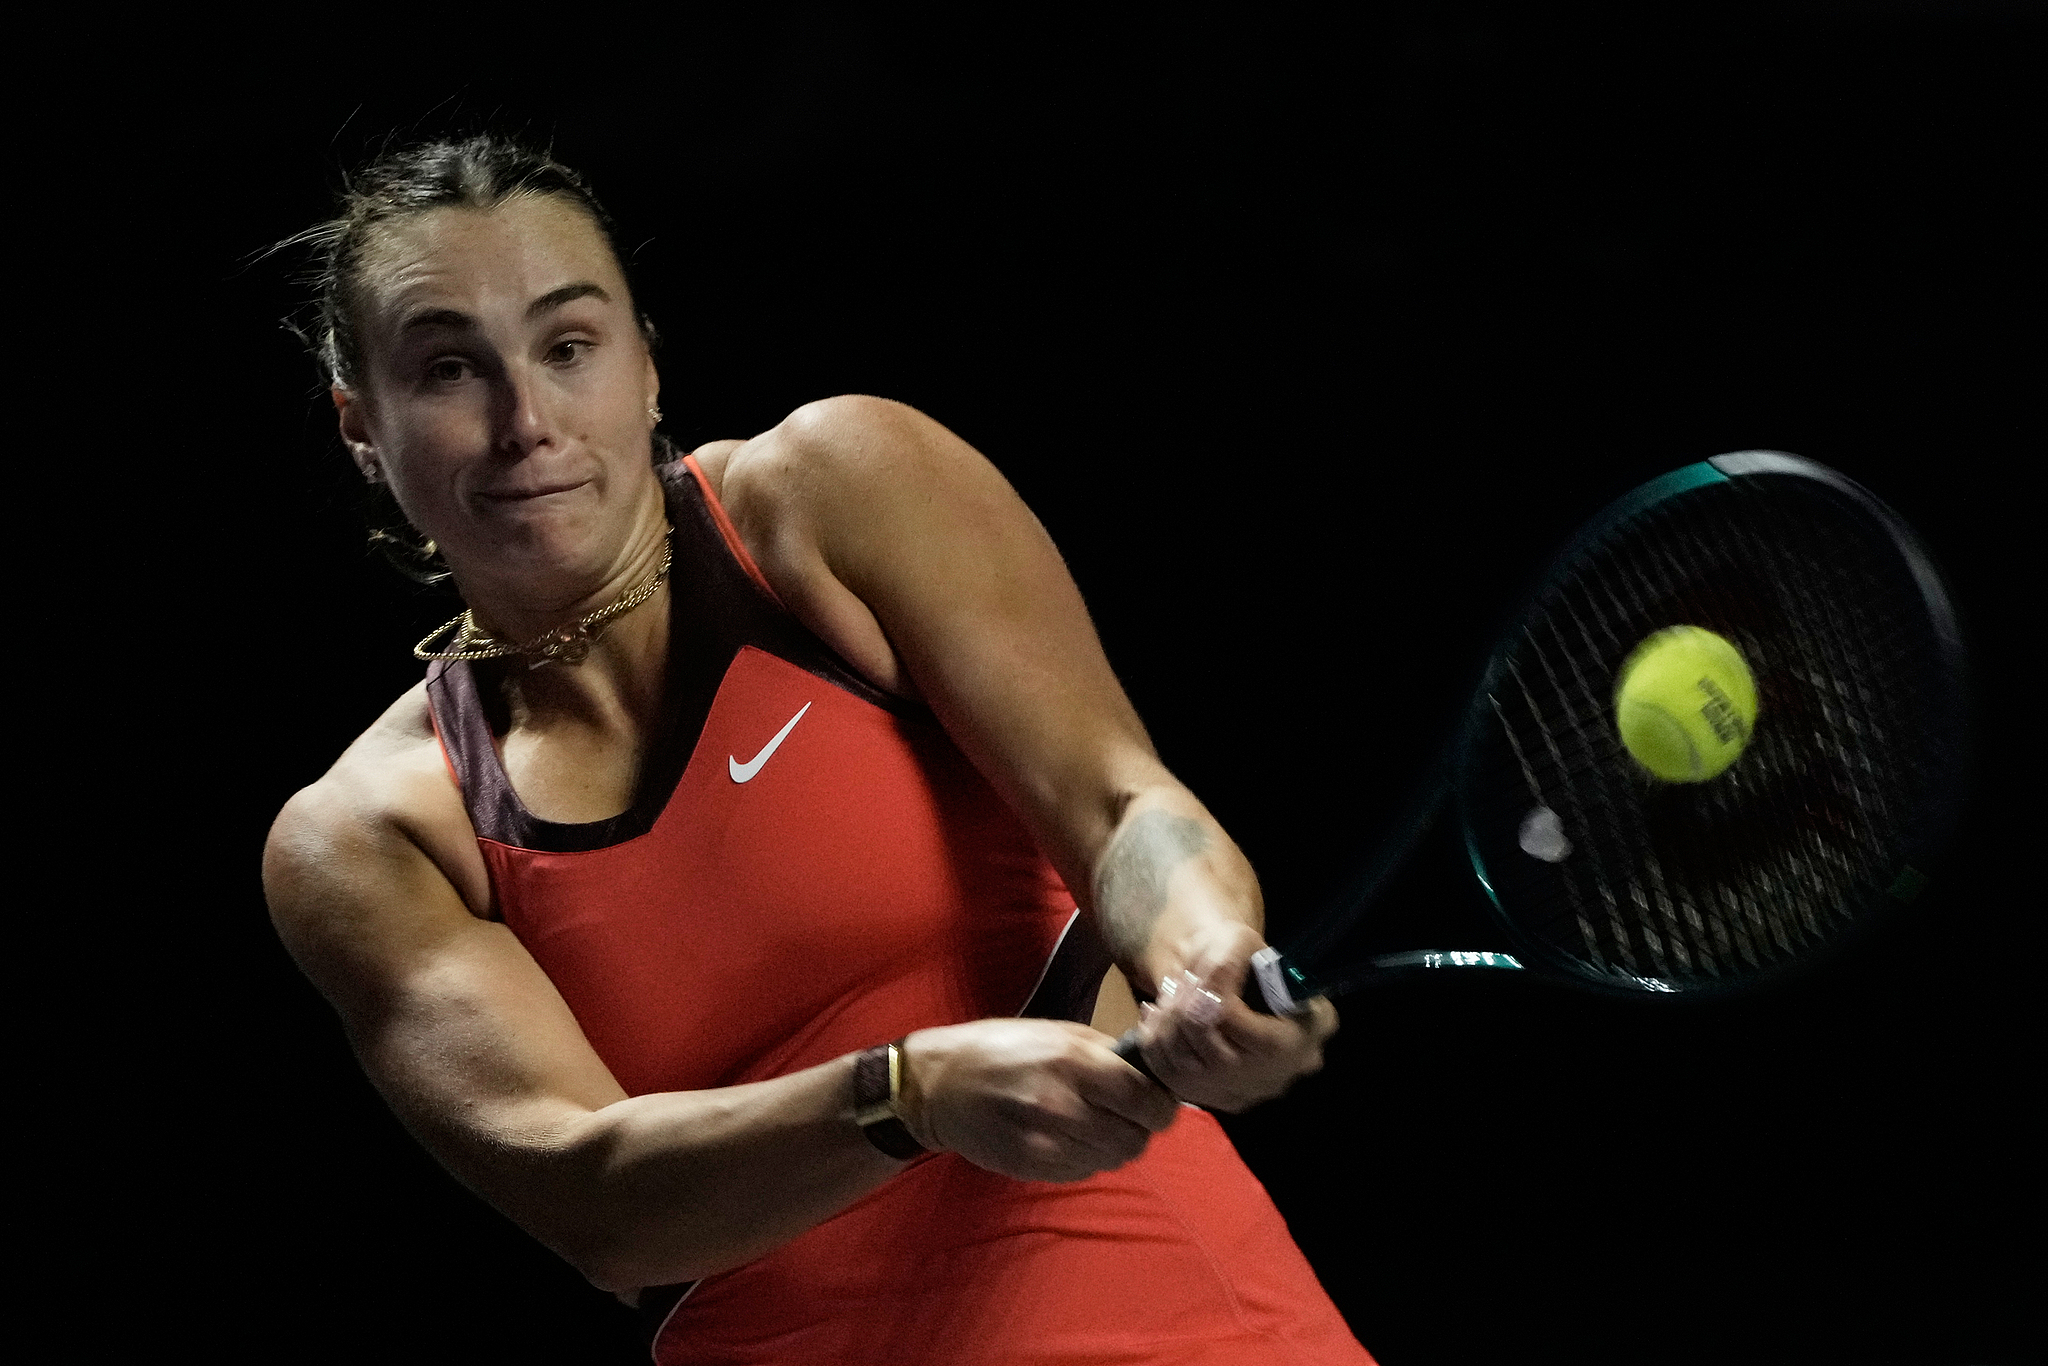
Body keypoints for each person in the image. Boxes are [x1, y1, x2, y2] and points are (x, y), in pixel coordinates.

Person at [263, 134, 1369, 1365]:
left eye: (569, 347)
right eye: (451, 369)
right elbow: (597, 1202)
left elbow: (1119, 807)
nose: (526, 421)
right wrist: (905, 1093)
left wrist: (1202, 947)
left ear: (646, 367)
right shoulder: (370, 837)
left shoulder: (830, 496)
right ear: (362, 425)